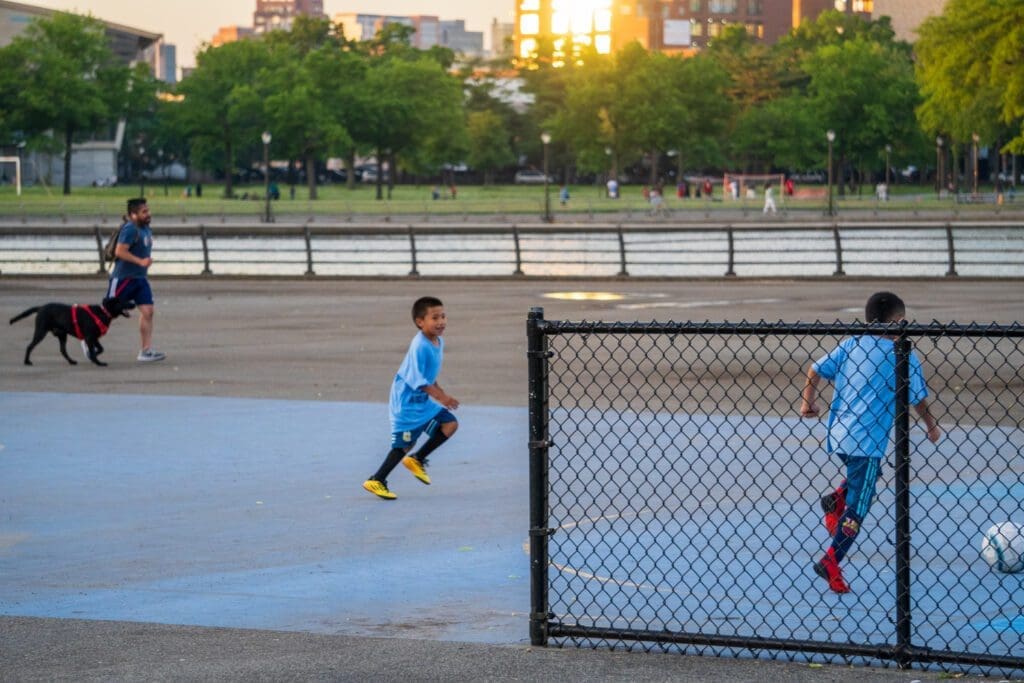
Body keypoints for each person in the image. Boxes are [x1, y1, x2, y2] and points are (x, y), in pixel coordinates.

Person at [799, 291, 941, 593]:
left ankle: (835, 499)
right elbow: (918, 399)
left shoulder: (852, 344)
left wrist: (807, 403)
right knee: (859, 507)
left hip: (838, 434)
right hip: (866, 443)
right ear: (900, 322)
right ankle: (831, 560)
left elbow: (815, 369)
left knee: (867, 478)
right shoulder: (903, 354)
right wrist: (931, 425)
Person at [363, 296, 460, 500]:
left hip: (422, 400)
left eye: (443, 316)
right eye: (435, 317)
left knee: (449, 424)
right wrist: (442, 398)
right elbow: (418, 380)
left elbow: (429, 376)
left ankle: (417, 459)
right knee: (404, 445)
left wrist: (440, 392)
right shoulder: (420, 346)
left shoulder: (438, 341)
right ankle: (377, 480)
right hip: (406, 403)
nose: (441, 321)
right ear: (420, 322)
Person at [107, 198, 165, 362]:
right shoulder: (130, 229)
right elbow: (120, 251)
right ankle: (87, 338)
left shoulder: (146, 228)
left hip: (140, 278)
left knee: (148, 312)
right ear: (133, 215)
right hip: (123, 279)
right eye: (144, 212)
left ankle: (145, 351)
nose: (148, 214)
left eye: (148, 210)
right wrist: (140, 261)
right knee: (108, 313)